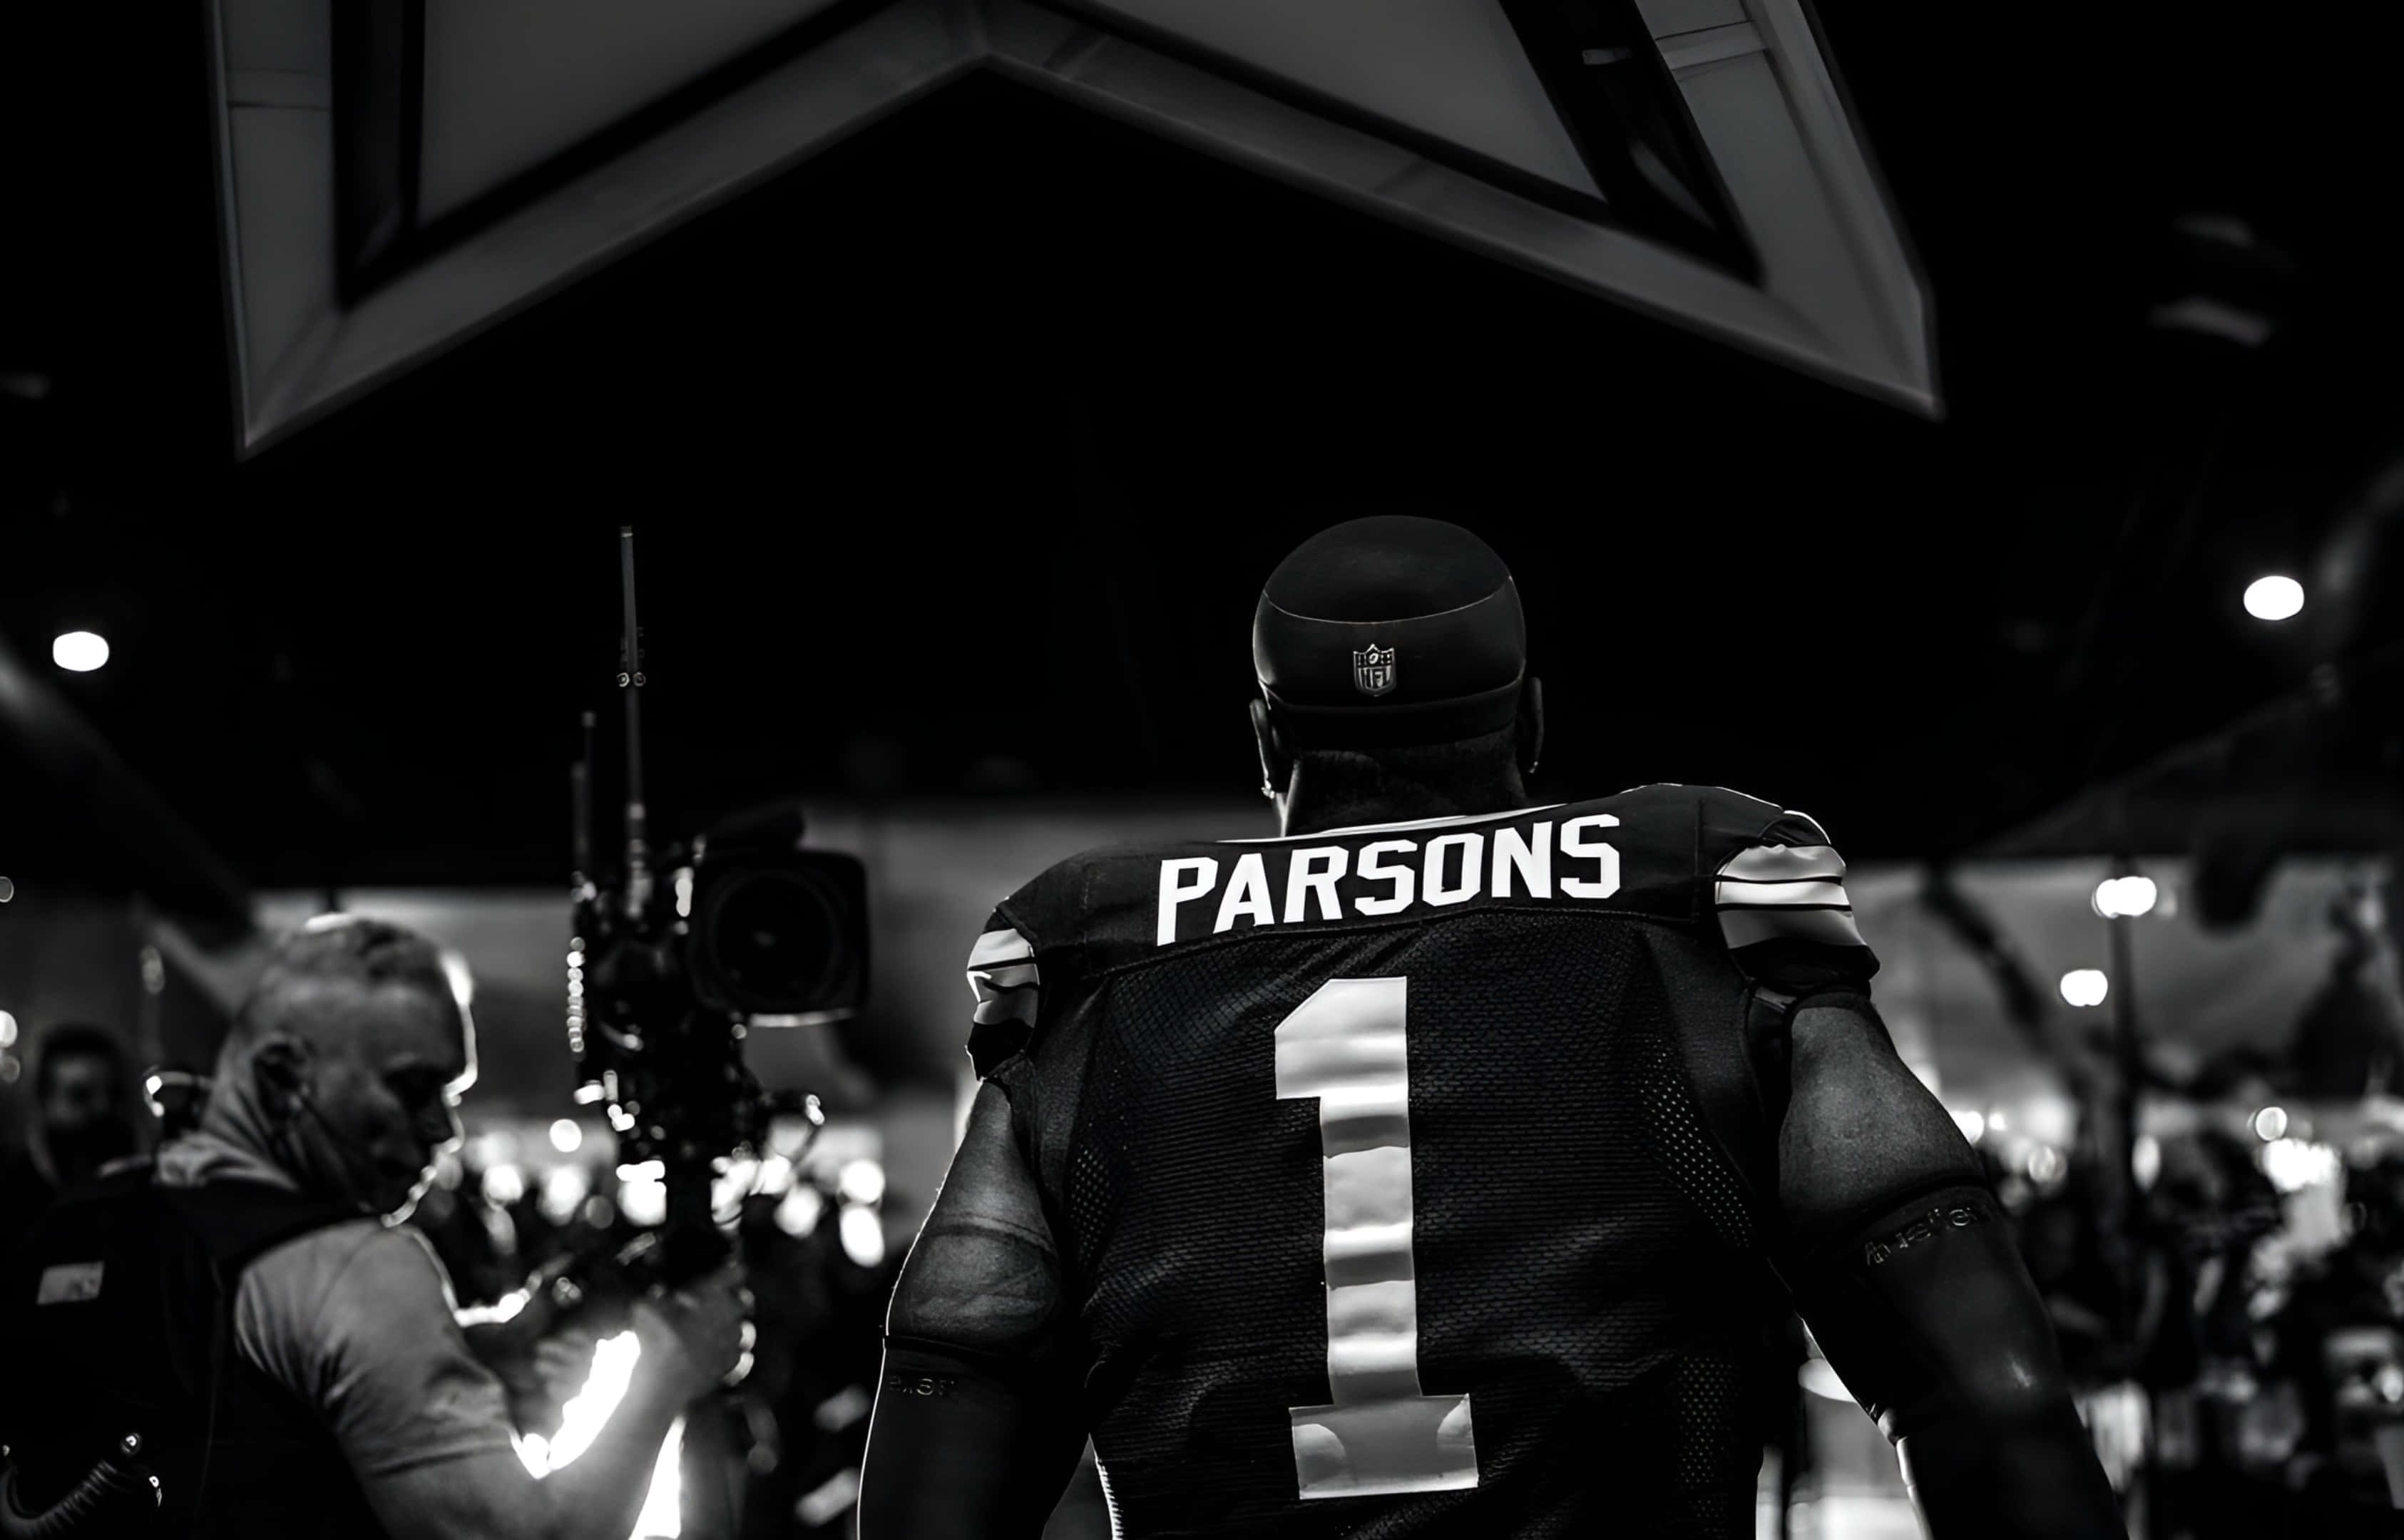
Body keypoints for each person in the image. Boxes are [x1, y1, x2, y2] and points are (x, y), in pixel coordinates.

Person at [860, 517, 2125, 1537]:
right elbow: (1983, 1392)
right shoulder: (1701, 889)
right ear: (1528, 722)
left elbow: (958, 1351)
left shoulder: (1089, 954)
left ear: (1266, 740)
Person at [0, 915, 750, 1539]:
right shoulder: (352, 1269)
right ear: (283, 1078)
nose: (445, 1130)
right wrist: (671, 1367)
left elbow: (233, 1392)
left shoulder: (89, 1218)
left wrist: (487, 1341)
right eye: (413, 1087)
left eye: (451, 1094)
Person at [0, 1022, 141, 1253]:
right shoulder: (11, 1195)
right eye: (80, 1096)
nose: (103, 1109)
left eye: (114, 1094)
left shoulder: (139, 1190)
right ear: (43, 1101)